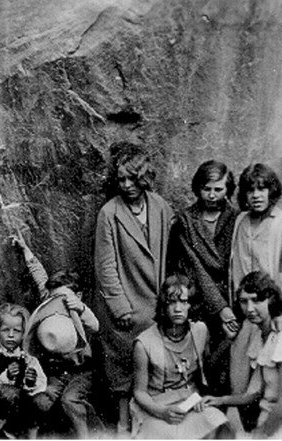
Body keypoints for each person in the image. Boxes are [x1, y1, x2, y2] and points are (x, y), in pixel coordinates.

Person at [93, 142, 173, 434]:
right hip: (127, 304)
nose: (126, 185)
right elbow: (106, 265)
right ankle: (123, 424)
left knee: (155, 366)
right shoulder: (109, 213)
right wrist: (119, 306)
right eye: (121, 179)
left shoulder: (160, 207)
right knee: (124, 370)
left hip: (155, 302)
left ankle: (153, 423)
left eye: (132, 178)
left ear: (144, 177)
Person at [229, 163, 282, 426]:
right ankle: (242, 427)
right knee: (238, 365)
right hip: (248, 310)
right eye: (250, 190)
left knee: (275, 378)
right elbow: (235, 267)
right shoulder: (240, 220)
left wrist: (279, 313)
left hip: (276, 311)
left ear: (272, 191)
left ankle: (275, 426)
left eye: (262, 189)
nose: (256, 195)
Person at [12, 230, 103, 438]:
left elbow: (95, 326)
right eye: (54, 298)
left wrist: (80, 308)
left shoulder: (79, 310)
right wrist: (26, 251)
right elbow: (40, 276)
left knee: (70, 400)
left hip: (81, 372)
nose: (59, 302)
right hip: (55, 373)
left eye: (64, 297)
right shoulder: (52, 305)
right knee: (42, 400)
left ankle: (86, 435)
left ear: (77, 295)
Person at [203, 271, 282, 438]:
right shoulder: (262, 339)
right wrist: (220, 400)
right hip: (270, 422)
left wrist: (260, 435)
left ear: (271, 299)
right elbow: (254, 394)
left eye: (257, 300)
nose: (250, 309)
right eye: (244, 302)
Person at [168, 160, 240, 393]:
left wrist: (230, 308)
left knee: (231, 369)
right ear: (197, 187)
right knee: (199, 367)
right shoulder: (185, 221)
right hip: (199, 304)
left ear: (228, 189)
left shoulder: (237, 219)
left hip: (234, 304)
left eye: (218, 189)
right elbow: (195, 268)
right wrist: (221, 308)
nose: (211, 195)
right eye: (206, 188)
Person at [131, 274, 229, 438]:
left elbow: (206, 375)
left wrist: (198, 399)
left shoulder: (200, 331)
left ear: (191, 304)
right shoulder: (144, 343)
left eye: (184, 302)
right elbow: (139, 392)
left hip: (190, 402)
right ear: (163, 305)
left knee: (217, 421)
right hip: (156, 407)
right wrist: (162, 412)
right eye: (171, 302)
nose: (178, 309)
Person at [0, 303, 47, 439]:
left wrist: (30, 381)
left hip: (22, 406)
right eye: (5, 330)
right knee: (10, 393)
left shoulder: (28, 358)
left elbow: (41, 384)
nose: (11, 335)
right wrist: (7, 375)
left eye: (17, 331)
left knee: (37, 402)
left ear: (24, 333)